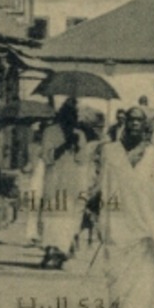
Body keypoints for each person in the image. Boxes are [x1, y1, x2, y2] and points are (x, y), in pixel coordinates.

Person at [77, 101, 154, 308]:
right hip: (115, 220)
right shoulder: (110, 150)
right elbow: (102, 183)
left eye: (139, 120)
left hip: (143, 220)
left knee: (138, 274)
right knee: (116, 274)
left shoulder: (153, 154)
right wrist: (92, 207)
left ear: (145, 125)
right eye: (131, 119)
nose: (135, 124)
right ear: (124, 123)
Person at [38, 105, 96, 268]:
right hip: (54, 181)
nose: (71, 118)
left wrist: (77, 146)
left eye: (74, 115)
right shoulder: (50, 132)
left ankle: (62, 252)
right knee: (52, 218)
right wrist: (64, 145)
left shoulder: (80, 134)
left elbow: (83, 160)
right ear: (61, 115)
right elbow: (47, 157)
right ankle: (50, 250)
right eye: (68, 114)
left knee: (69, 219)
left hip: (72, 182)